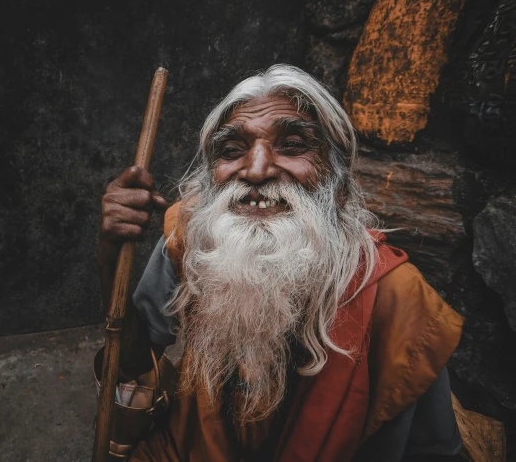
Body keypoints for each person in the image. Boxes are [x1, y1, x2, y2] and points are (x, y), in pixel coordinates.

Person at [96, 65, 465, 461]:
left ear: (336, 182)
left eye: (291, 145)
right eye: (232, 149)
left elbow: (434, 452)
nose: (256, 170)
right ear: (211, 178)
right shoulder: (192, 235)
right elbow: (133, 360)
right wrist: (109, 252)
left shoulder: (399, 298)